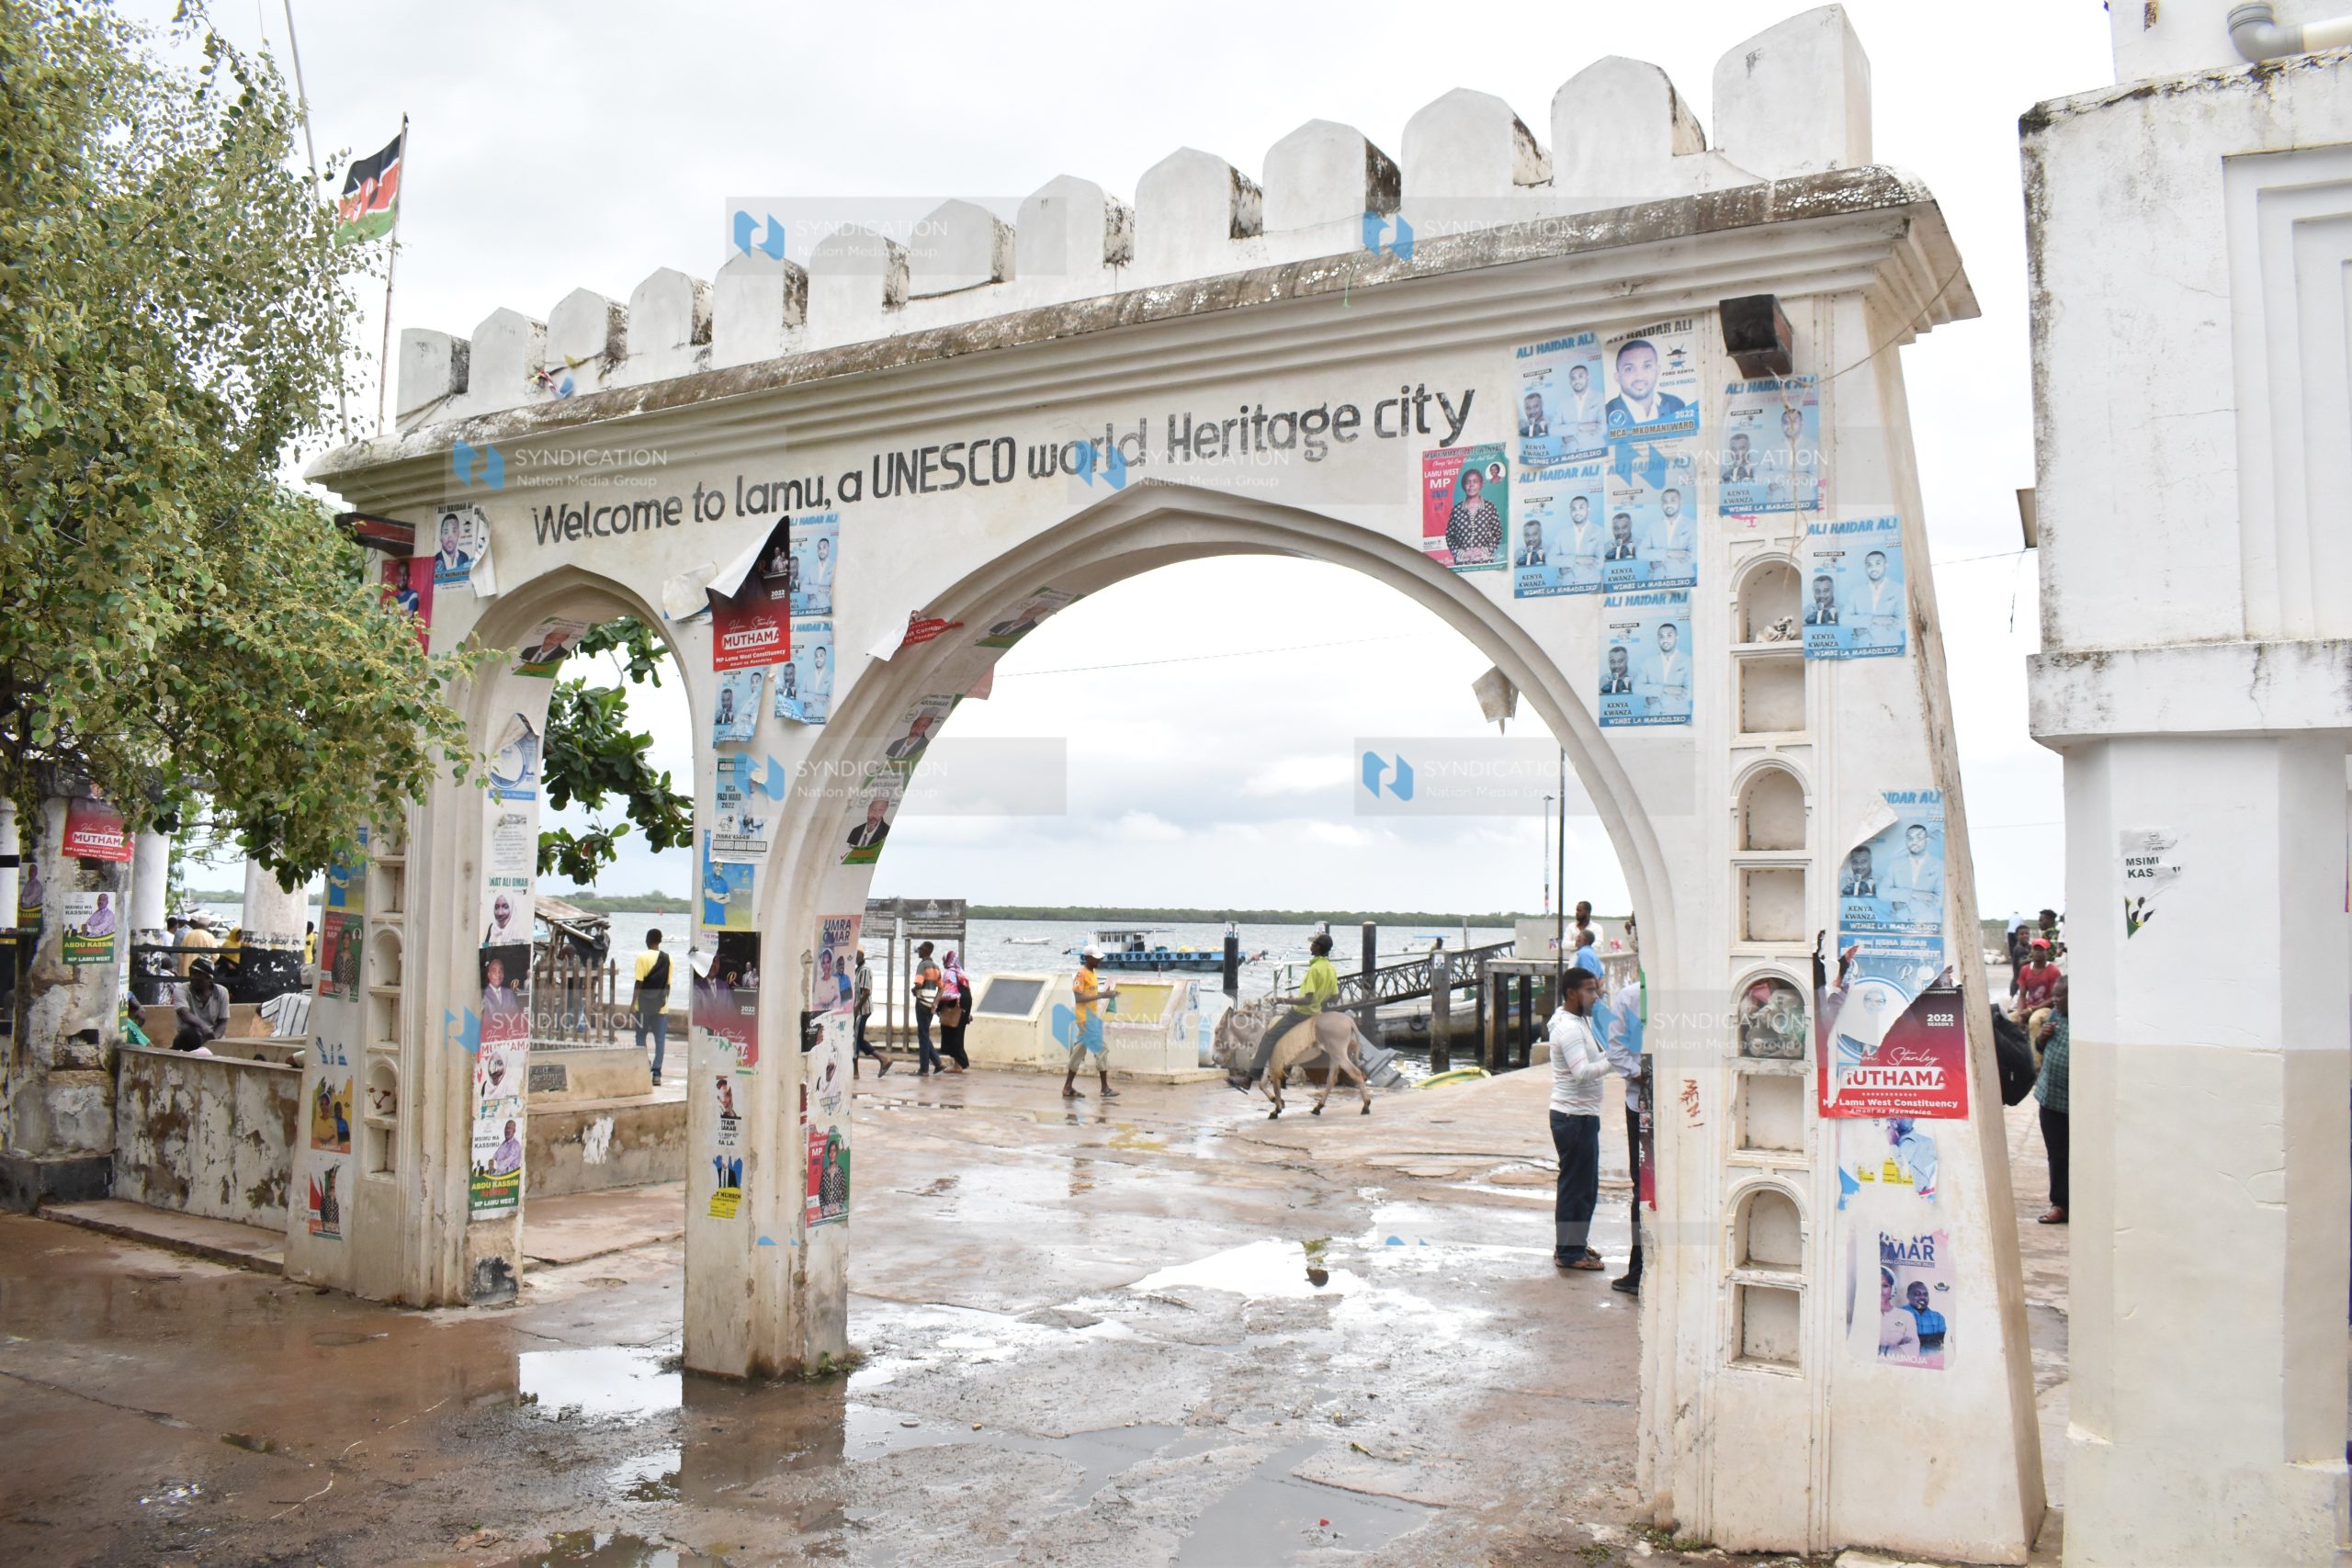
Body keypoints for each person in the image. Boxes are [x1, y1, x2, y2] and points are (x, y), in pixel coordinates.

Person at [1548, 966, 1611, 1270]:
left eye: (1595, 989)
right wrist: (1615, 1059)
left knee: (1584, 1186)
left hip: (1581, 1115)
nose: (1595, 995)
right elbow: (1583, 1072)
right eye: (1589, 990)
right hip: (1573, 1117)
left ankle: (1574, 1244)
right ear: (1572, 993)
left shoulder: (1579, 1021)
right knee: (1576, 1186)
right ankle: (1570, 1253)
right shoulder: (1570, 1029)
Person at [1236, 931, 1340, 1090]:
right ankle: (1282, 1074)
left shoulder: (1314, 969)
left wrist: (1282, 1000)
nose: (1310, 946)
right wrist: (1319, 1002)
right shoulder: (1331, 968)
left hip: (1301, 1013)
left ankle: (1250, 1079)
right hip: (1316, 1014)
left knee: (1269, 1037)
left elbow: (1307, 1000)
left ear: (1318, 947)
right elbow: (1334, 997)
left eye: (1313, 944)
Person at [1600, 973, 1645, 1295]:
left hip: (1682, 1104)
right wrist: (1640, 1074)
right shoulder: (1630, 997)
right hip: (1642, 1104)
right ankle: (1639, 1267)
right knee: (1643, 1186)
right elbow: (1615, 1050)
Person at [2035, 977, 2070, 1224]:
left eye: (2060, 996)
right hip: (2050, 1098)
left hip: (2076, 1101)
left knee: (2078, 1154)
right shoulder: (2056, 1014)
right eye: (2054, 995)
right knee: (2056, 1154)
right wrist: (2043, 1037)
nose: (2055, 1000)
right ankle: (2059, 1204)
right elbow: (2038, 1047)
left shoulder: (2090, 1020)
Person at [1063, 948, 1118, 1100]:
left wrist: (1104, 993)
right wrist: (1102, 995)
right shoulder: (1081, 974)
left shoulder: (1093, 973)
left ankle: (1068, 1087)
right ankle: (1105, 1088)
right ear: (1087, 957)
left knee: (1079, 1052)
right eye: (1096, 958)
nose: (1099, 960)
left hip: (1090, 1018)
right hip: (1085, 1019)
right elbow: (1079, 998)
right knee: (1102, 1050)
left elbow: (1091, 995)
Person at [1604, 337, 1690, 431]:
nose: (1639, 377)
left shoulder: (1677, 405)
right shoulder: (1605, 414)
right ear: (1617, 377)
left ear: (1657, 371)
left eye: (1647, 366)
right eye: (1629, 369)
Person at [633, 929, 672, 1086]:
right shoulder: (668, 958)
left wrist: (632, 1003)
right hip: (661, 1007)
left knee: (640, 1037)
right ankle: (656, 1074)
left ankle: (644, 1065)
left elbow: (639, 983)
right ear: (660, 940)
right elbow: (668, 985)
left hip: (642, 1005)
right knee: (660, 1040)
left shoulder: (641, 957)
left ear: (647, 939)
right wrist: (662, 1001)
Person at [1444, 467, 1502, 565]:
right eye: (1468, 482)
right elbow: (1450, 537)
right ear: (1463, 485)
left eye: (1475, 481)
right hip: (1463, 564)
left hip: (1485, 562)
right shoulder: (1456, 510)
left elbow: (1497, 534)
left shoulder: (1490, 507)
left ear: (1481, 484)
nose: (1471, 485)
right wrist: (1462, 553)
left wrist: (1484, 550)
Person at [172, 959, 232, 1051]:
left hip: (212, 1036)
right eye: (191, 973)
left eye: (197, 974)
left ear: (209, 977)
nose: (192, 977)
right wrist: (203, 1027)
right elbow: (184, 1013)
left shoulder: (222, 992)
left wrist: (213, 1040)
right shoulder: (181, 990)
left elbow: (223, 1022)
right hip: (190, 1037)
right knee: (187, 1030)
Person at [1885, 822, 1942, 917]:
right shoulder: (1895, 864)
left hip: (1928, 924)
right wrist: (1915, 895)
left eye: (1919, 838)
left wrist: (1901, 899)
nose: (1914, 842)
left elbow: (1940, 900)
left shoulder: (1939, 865)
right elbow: (1882, 892)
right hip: (1899, 923)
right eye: (1910, 838)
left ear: (1927, 841)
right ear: (1905, 841)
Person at [1634, 622, 1689, 713]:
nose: (1665, 640)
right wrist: (1665, 689)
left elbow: (1690, 693)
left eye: (1669, 635)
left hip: (1679, 717)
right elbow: (1636, 688)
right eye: (1661, 636)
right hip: (1652, 718)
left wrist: (1655, 697)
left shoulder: (1687, 661)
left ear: (1677, 638)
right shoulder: (1648, 662)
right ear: (1657, 639)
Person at [910, 942, 943, 1077]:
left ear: (926, 951)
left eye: (920, 949)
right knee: (924, 1034)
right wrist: (935, 1003)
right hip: (930, 1005)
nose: (918, 950)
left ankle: (924, 1069)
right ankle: (938, 1063)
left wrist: (913, 989)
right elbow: (941, 987)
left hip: (922, 1003)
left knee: (923, 1037)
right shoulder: (936, 967)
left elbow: (919, 983)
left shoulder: (922, 965)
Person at [2013, 938, 2063, 1026]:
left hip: (2046, 1009)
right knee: (2008, 1019)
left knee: (2034, 1021)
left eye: (2041, 950)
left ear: (2047, 952)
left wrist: (2033, 1009)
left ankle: (2035, 1040)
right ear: (2031, 951)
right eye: (2035, 949)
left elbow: (2053, 998)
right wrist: (2020, 1013)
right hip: (2028, 1007)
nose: (2037, 952)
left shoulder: (2053, 971)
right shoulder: (2025, 969)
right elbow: (2022, 994)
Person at [935, 950, 971, 1071]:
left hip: (955, 1005)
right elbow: (966, 991)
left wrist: (938, 1006)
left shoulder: (949, 973)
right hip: (965, 1004)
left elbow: (949, 992)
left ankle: (959, 1064)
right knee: (959, 1033)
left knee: (951, 1033)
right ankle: (958, 1064)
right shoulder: (961, 972)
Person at [1877, 1267, 1922, 1359]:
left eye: (1884, 1286)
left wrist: (1879, 1349)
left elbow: (1913, 1349)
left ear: (1892, 1289)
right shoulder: (1862, 1314)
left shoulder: (1906, 1316)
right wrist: (1897, 1348)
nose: (1879, 1291)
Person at [854, 949, 885, 1076]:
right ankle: (883, 1060)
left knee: (856, 1040)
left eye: (857, 954)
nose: (855, 957)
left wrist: (856, 1008)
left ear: (861, 955)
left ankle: (883, 1059)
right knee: (858, 1040)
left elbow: (866, 991)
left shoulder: (864, 970)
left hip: (862, 1010)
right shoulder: (858, 969)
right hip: (858, 1009)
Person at [1905, 1280, 1948, 1355]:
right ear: (1908, 1296)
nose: (1922, 1297)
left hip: (1932, 1361)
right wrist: (1932, 1338)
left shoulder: (1938, 1317)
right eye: (1917, 1294)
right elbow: (1897, 1341)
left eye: (1925, 1294)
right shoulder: (1899, 1313)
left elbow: (1943, 1342)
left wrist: (1916, 1339)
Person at [179, 912, 217, 976]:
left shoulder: (188, 935)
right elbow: (215, 956)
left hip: (187, 971)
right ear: (208, 925)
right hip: (202, 974)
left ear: (197, 923)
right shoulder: (209, 937)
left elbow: (181, 954)